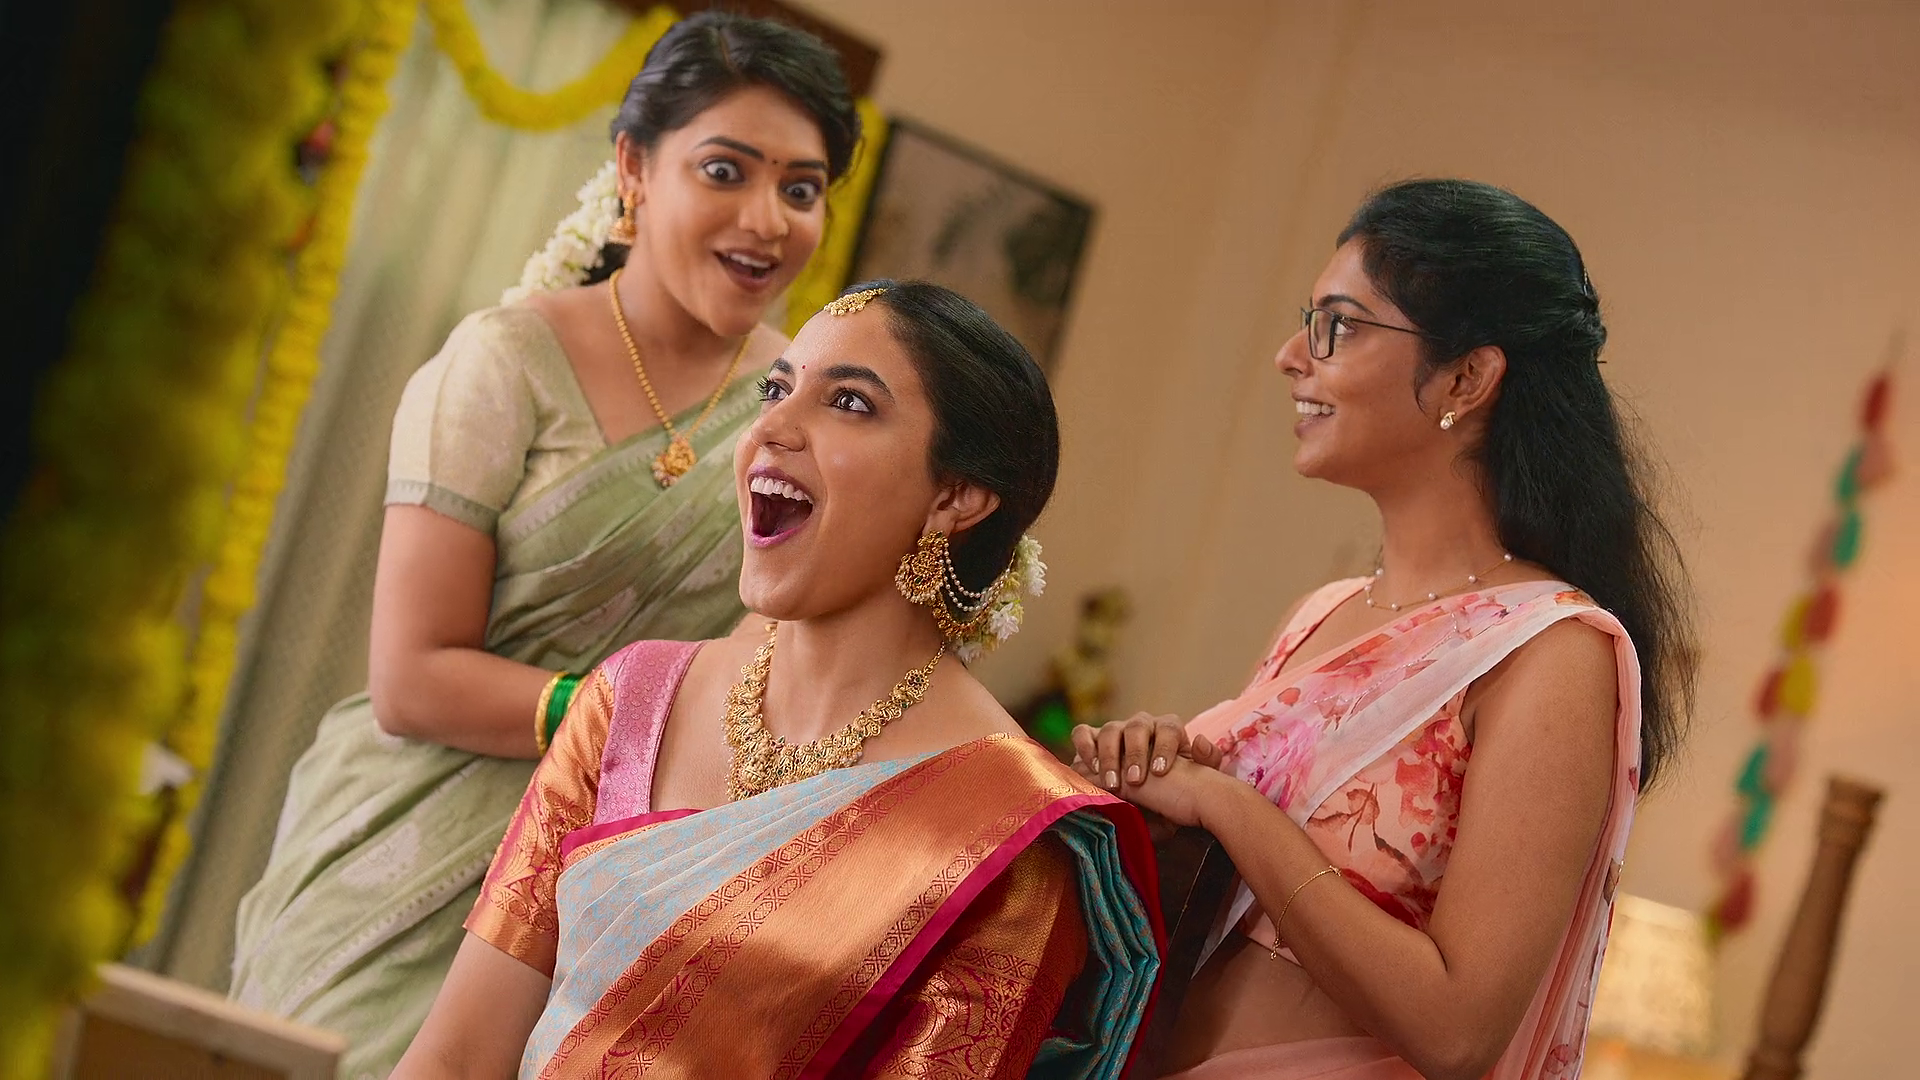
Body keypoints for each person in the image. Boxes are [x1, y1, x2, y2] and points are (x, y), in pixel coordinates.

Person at [229, 14, 863, 1074]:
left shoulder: (801, 412)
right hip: (404, 862)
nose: (767, 220)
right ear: (633, 169)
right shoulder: (505, 362)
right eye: (725, 171)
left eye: (801, 188)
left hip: (599, 904)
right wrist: (630, 723)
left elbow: (774, 679)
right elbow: (412, 679)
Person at [393, 281, 1162, 1079]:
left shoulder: (1002, 834)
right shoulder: (632, 702)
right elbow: (456, 1059)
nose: (771, 428)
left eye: (850, 403)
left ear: (955, 496)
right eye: (775, 389)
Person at [1074, 179, 1695, 1080]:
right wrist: (1154, 787)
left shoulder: (1553, 652)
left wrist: (1229, 805)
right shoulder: (1323, 612)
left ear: (1465, 379)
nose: (1292, 357)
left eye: (1340, 325)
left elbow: (1457, 1031)